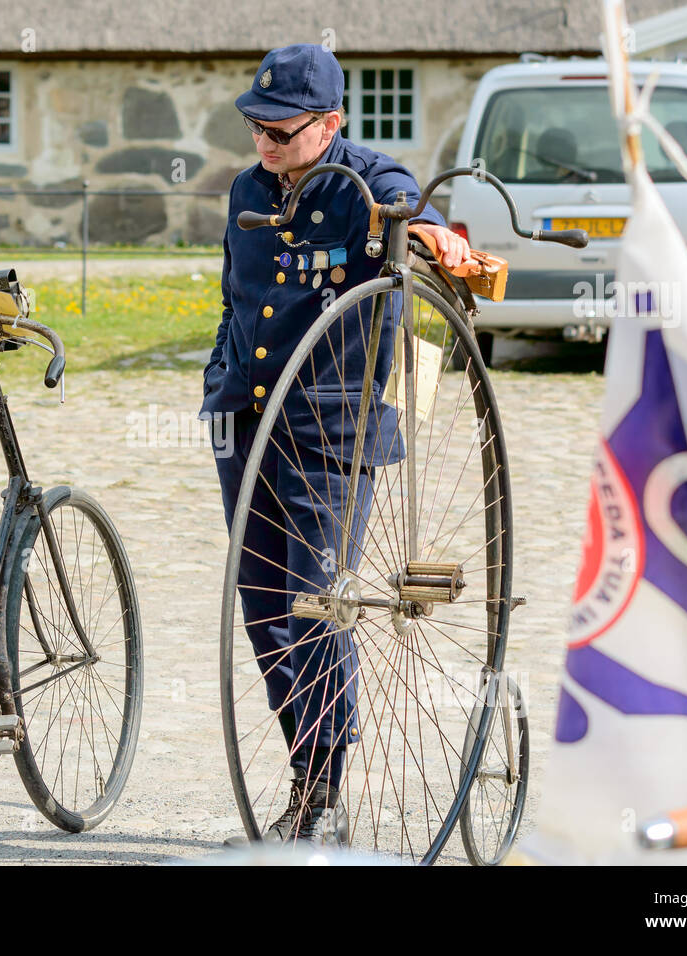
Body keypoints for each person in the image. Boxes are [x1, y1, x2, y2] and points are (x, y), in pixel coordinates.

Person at [201, 44, 470, 846]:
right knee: (263, 609)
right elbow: (237, 293)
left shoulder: (366, 183)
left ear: (331, 124)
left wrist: (428, 232)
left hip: (331, 429)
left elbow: (407, 208)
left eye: (283, 132)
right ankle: (307, 764)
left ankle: (320, 788)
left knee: (318, 603)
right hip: (244, 420)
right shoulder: (249, 190)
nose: (266, 144)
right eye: (257, 127)